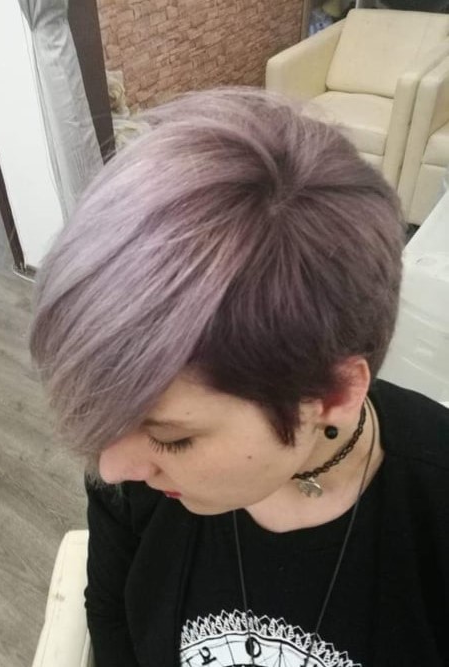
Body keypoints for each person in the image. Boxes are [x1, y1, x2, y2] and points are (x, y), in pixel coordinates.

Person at [30, 88, 449, 667]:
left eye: (174, 437)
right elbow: (111, 616)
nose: (111, 468)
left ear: (332, 394)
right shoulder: (132, 469)